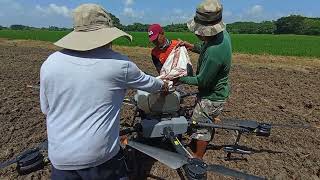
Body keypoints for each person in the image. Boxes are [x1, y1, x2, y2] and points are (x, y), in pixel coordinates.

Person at [40, 4, 168, 180]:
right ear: (108, 35)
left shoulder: (50, 63)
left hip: (59, 159)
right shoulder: (120, 65)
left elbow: (46, 109)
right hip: (100, 159)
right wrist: (164, 86)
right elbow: (150, 84)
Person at [177, 0, 232, 159]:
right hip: (216, 91)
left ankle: (197, 158)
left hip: (212, 96)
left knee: (200, 125)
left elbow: (202, 81)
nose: (196, 33)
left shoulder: (215, 52)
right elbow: (204, 49)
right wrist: (190, 46)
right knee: (205, 119)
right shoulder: (221, 35)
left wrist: (180, 78)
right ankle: (210, 121)